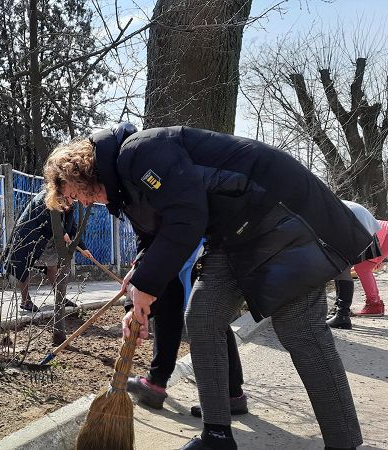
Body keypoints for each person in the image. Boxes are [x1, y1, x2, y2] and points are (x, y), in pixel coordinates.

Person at [43, 124, 373, 450]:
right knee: (203, 318)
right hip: (233, 234)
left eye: (78, 194)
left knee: (300, 328)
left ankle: (343, 442)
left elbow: (187, 216)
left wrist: (146, 283)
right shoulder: (125, 189)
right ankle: (217, 437)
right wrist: (137, 292)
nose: (84, 203)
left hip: (276, 214)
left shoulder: (140, 152)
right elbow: (153, 237)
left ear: (83, 172)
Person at [126, 238, 247, 418]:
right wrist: (140, 266)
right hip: (182, 246)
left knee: (209, 317)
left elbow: (159, 228)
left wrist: (142, 268)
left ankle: (231, 393)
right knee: (168, 301)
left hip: (198, 245)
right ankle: (156, 382)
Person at [4, 189, 85, 314]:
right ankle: (25, 301)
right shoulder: (46, 197)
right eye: (72, 198)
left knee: (52, 266)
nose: (72, 202)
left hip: (49, 239)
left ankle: (60, 298)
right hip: (31, 237)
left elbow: (73, 228)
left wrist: (83, 248)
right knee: (25, 266)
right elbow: (44, 218)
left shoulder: (69, 204)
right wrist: (62, 233)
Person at [327, 200, 387, 329]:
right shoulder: (321, 198)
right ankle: (340, 311)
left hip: (362, 226)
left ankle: (346, 313)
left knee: (348, 267)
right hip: (368, 226)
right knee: (349, 267)